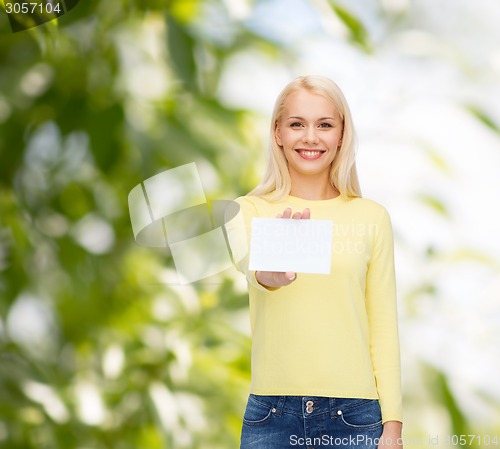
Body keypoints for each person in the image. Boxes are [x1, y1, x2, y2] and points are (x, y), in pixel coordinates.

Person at [225, 75, 403, 449]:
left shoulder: (371, 217)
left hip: (356, 418)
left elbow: (383, 328)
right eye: (296, 124)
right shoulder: (248, 211)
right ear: (277, 133)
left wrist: (393, 428)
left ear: (342, 134)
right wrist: (270, 273)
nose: (310, 137)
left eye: (324, 124)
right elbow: (253, 270)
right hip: (271, 417)